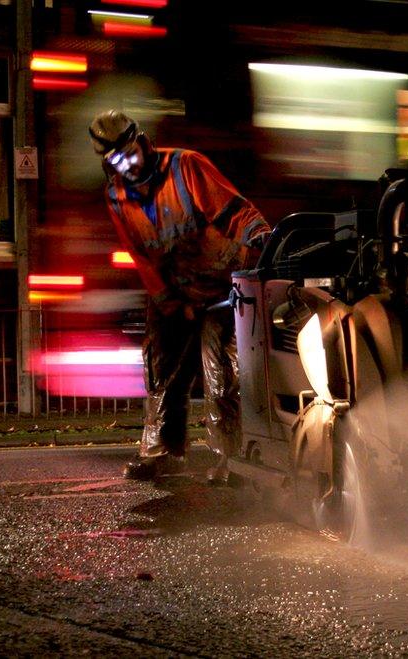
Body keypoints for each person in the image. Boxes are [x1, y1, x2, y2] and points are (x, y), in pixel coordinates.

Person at [88, 110, 270, 483]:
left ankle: (230, 459)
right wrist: (167, 298)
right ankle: (162, 452)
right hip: (173, 290)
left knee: (222, 377)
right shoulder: (116, 196)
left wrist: (260, 237)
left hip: (221, 286)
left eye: (132, 152)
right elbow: (139, 252)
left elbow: (234, 210)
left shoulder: (186, 166)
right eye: (118, 161)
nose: (130, 164)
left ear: (143, 141)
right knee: (162, 373)